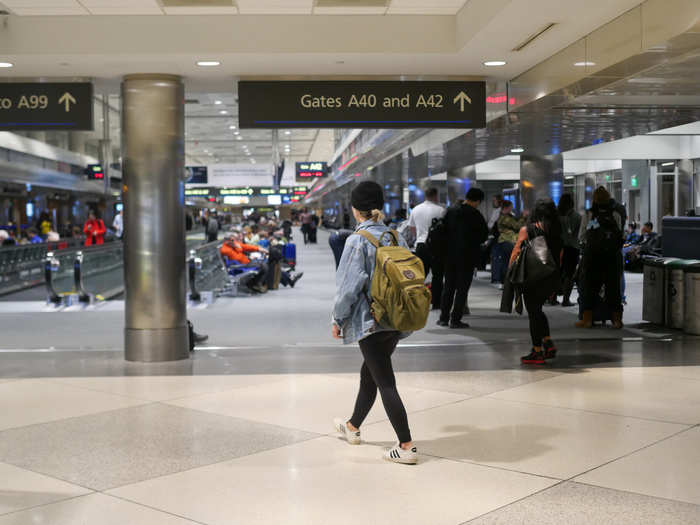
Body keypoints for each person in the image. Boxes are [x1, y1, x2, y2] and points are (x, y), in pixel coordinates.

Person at [332, 180, 417, 465]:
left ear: (356, 210)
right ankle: (353, 426)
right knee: (370, 372)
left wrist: (337, 318)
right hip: (395, 318)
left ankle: (406, 446)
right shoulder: (395, 237)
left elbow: (347, 287)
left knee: (385, 381)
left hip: (370, 321)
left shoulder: (357, 241)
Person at [509, 198, 563, 365]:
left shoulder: (528, 230)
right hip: (551, 276)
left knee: (533, 313)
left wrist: (510, 272)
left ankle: (537, 351)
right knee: (538, 310)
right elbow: (560, 255)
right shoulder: (556, 230)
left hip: (532, 277)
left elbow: (516, 251)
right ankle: (547, 342)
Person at [439, 187, 488, 328]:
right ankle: (455, 320)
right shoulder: (475, 214)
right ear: (478, 201)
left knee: (448, 286)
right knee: (462, 289)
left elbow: (442, 231)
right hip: (467, 257)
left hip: (450, 256)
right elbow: (483, 235)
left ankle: (443, 318)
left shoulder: (451, 211)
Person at [576, 186, 625, 329]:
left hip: (593, 257)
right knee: (613, 288)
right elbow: (621, 235)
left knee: (589, 288)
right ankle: (617, 320)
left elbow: (582, 236)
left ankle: (587, 320)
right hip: (612, 257)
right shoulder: (616, 214)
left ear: (595, 199)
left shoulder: (590, 214)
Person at [409, 187, 446, 310]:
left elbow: (412, 229)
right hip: (437, 247)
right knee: (437, 275)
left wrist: (420, 236)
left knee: (420, 275)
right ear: (436, 196)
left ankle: (416, 301)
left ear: (425, 195)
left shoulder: (415, 209)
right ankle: (436, 303)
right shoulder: (441, 210)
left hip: (420, 245)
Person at [558, 193, 582, 307]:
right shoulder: (576, 216)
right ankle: (566, 299)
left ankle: (552, 297)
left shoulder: (557, 216)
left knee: (558, 272)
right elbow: (577, 233)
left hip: (558, 247)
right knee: (570, 274)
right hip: (572, 248)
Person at [493, 201, 525, 286]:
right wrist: (523, 217)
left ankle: (505, 281)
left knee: (506, 261)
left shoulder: (506, 216)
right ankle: (506, 281)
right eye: (511, 207)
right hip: (507, 241)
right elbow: (517, 226)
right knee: (508, 262)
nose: (512, 209)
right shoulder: (505, 218)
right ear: (506, 208)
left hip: (505, 241)